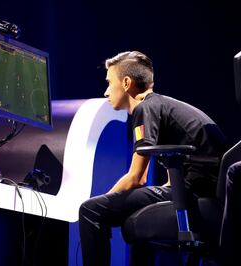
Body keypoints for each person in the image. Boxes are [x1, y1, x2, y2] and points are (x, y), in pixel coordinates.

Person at [79, 51, 226, 265]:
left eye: (110, 83)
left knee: (90, 210)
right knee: (128, 211)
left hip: (192, 194)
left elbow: (136, 177)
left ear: (126, 82)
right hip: (203, 192)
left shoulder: (145, 108)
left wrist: (105, 201)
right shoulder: (162, 105)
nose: (106, 92)